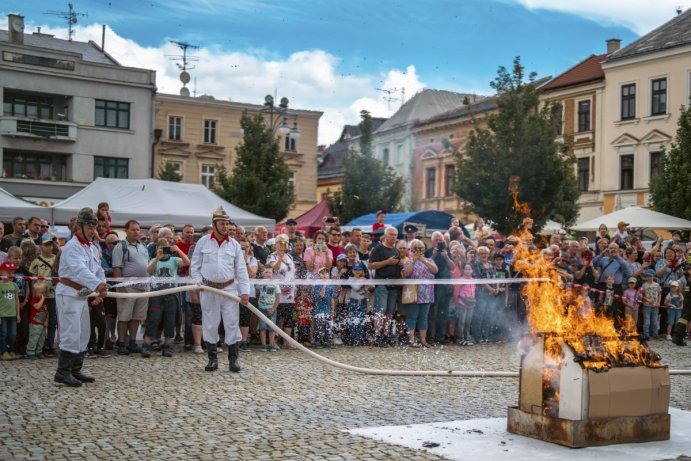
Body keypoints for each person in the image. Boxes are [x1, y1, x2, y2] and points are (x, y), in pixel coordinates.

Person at [190, 206, 250, 372]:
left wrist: (245, 292)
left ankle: (233, 360)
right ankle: (212, 359)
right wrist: (197, 283)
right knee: (210, 324)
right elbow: (194, 266)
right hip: (209, 289)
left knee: (232, 323)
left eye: (227, 224)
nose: (225, 227)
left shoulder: (235, 245)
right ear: (214, 224)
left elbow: (241, 270)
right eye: (222, 224)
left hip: (229, 289)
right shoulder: (202, 242)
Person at [54, 208, 108, 386]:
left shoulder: (92, 247)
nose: (93, 231)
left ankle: (75, 370)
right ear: (79, 227)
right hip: (69, 293)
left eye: (95, 227)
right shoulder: (72, 247)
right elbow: (80, 270)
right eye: (90, 227)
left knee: (84, 331)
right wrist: (97, 285)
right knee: (71, 332)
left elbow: (97, 269)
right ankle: (62, 373)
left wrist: (102, 284)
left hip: (83, 294)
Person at [141, 238, 190, 358]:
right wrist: (157, 257)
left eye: (166, 248)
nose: (164, 251)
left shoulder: (174, 260)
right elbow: (148, 271)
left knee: (170, 320)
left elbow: (187, 262)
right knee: (153, 320)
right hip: (157, 295)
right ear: (157, 248)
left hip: (171, 295)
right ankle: (146, 345)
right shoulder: (154, 260)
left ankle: (167, 346)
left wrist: (177, 250)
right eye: (160, 248)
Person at [112, 220, 150, 356]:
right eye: (133, 229)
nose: (136, 232)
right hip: (127, 287)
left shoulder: (143, 246)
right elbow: (117, 268)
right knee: (124, 316)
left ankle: (133, 343)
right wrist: (121, 287)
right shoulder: (120, 246)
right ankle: (122, 343)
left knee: (137, 317)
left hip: (143, 287)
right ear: (126, 231)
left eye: (138, 229)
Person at [367, 226, 402, 346]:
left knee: (390, 312)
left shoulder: (396, 251)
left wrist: (400, 263)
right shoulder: (378, 249)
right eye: (391, 234)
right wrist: (387, 262)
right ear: (386, 235)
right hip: (382, 284)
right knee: (380, 311)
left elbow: (398, 266)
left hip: (394, 284)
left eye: (395, 235)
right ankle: (377, 335)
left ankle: (386, 334)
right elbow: (370, 265)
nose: (394, 237)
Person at [402, 239, 438, 347]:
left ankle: (423, 340)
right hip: (414, 294)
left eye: (421, 249)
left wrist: (424, 261)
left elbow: (435, 271)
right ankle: (411, 340)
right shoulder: (408, 261)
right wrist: (414, 261)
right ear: (412, 250)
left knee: (423, 317)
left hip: (427, 294)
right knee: (412, 317)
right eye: (416, 249)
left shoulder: (429, 260)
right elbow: (406, 273)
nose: (418, 251)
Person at [29, 238, 57, 356]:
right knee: (39, 321)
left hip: (53, 294)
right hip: (40, 296)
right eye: (46, 245)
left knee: (51, 321)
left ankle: (49, 344)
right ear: (41, 246)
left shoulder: (57, 259)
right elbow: (32, 279)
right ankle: (37, 346)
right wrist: (32, 294)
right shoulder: (36, 261)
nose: (49, 247)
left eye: (50, 244)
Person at [0, 261, 21, 361]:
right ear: (1, 272)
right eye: (8, 272)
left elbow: (17, 300)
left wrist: (18, 314)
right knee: (3, 334)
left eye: (12, 272)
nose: (10, 274)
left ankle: (11, 351)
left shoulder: (14, 285)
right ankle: (3, 352)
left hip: (13, 314)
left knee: (13, 334)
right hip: (2, 314)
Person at [347, 262, 370, 345]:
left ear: (362, 271)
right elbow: (356, 287)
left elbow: (368, 289)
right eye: (355, 269)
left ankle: (360, 338)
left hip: (362, 301)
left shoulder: (364, 279)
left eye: (359, 269)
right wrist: (363, 282)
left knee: (361, 319)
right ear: (352, 271)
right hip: (353, 301)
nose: (357, 271)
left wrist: (366, 285)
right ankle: (354, 338)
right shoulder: (350, 279)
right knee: (353, 319)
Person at [256, 267, 280, 352]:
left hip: (271, 308)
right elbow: (257, 289)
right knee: (262, 327)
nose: (268, 274)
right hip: (261, 308)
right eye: (266, 272)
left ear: (272, 274)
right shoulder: (260, 283)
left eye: (270, 272)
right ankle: (263, 345)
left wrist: (273, 309)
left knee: (271, 327)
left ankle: (271, 344)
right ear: (263, 273)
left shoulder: (275, 284)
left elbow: (278, 298)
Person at [313, 267, 337, 348]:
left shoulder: (330, 285)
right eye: (323, 273)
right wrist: (324, 286)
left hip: (327, 310)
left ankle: (326, 341)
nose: (325, 275)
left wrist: (332, 311)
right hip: (319, 310)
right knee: (318, 326)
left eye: (327, 273)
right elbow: (320, 295)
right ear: (319, 275)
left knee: (327, 326)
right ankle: (317, 342)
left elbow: (332, 299)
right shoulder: (317, 284)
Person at [25, 281, 49, 359]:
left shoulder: (45, 301)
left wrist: (46, 320)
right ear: (35, 293)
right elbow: (37, 307)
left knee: (41, 339)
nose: (43, 294)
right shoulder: (34, 300)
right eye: (41, 292)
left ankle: (39, 351)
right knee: (34, 338)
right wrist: (42, 299)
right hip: (34, 323)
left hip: (42, 324)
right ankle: (30, 352)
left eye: (44, 292)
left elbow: (47, 312)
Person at [454, 263, 476, 346]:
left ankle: (467, 338)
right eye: (466, 269)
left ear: (472, 270)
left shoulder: (474, 280)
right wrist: (457, 302)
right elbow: (456, 291)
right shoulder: (461, 280)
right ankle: (460, 339)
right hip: (462, 302)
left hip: (471, 303)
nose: (468, 271)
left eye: (469, 269)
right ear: (463, 270)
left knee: (468, 322)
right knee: (462, 321)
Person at [640, 269, 662, 341]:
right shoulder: (644, 285)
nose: (649, 278)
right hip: (646, 306)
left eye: (650, 276)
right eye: (647, 276)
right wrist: (646, 299)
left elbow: (659, 294)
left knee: (655, 321)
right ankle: (646, 335)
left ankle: (655, 334)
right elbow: (641, 295)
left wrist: (658, 302)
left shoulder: (657, 284)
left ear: (653, 276)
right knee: (647, 321)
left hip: (655, 306)